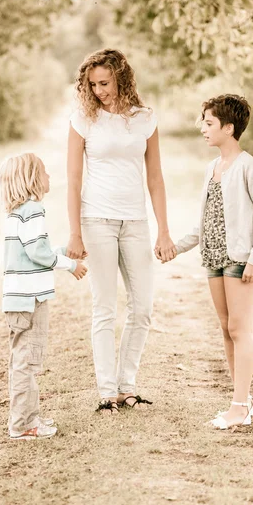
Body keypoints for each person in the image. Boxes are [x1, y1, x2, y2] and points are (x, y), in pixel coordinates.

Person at [66, 48, 176, 414]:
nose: (99, 90)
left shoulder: (145, 119)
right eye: (92, 84)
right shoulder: (84, 119)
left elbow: (156, 178)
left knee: (142, 307)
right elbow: (72, 178)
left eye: (105, 83)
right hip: (96, 220)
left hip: (136, 222)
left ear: (121, 78)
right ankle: (106, 391)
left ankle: (128, 384)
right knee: (104, 307)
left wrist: (163, 231)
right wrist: (74, 233)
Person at [165, 94, 253, 429]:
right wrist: (176, 247)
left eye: (209, 122)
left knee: (239, 329)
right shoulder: (211, 168)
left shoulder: (248, 166)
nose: (203, 128)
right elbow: (206, 223)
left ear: (229, 128)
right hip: (213, 258)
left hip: (239, 260)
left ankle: (240, 407)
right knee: (227, 330)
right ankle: (240, 401)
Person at [0, 152, 87, 440]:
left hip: (18, 300)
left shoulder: (17, 213)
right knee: (27, 362)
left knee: (22, 361)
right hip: (29, 300)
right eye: (45, 172)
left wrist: (61, 252)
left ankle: (28, 415)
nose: (49, 177)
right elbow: (37, 253)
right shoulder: (34, 210)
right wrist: (71, 266)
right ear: (33, 179)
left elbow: (33, 252)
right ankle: (23, 425)